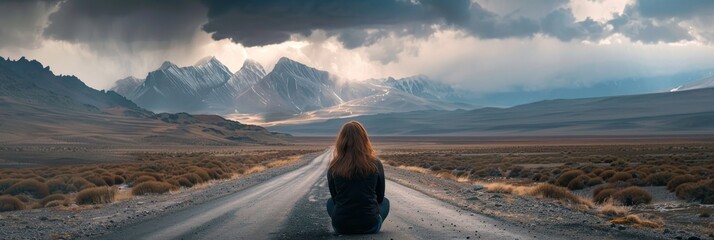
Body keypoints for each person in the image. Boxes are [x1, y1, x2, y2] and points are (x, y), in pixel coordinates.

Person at [326, 121, 389, 234]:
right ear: (364, 139)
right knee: (385, 202)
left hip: (341, 228)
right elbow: (379, 197)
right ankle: (369, 222)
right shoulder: (375, 163)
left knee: (330, 202)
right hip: (370, 226)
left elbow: (335, 198)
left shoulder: (334, 166)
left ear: (341, 141)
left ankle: (345, 223)